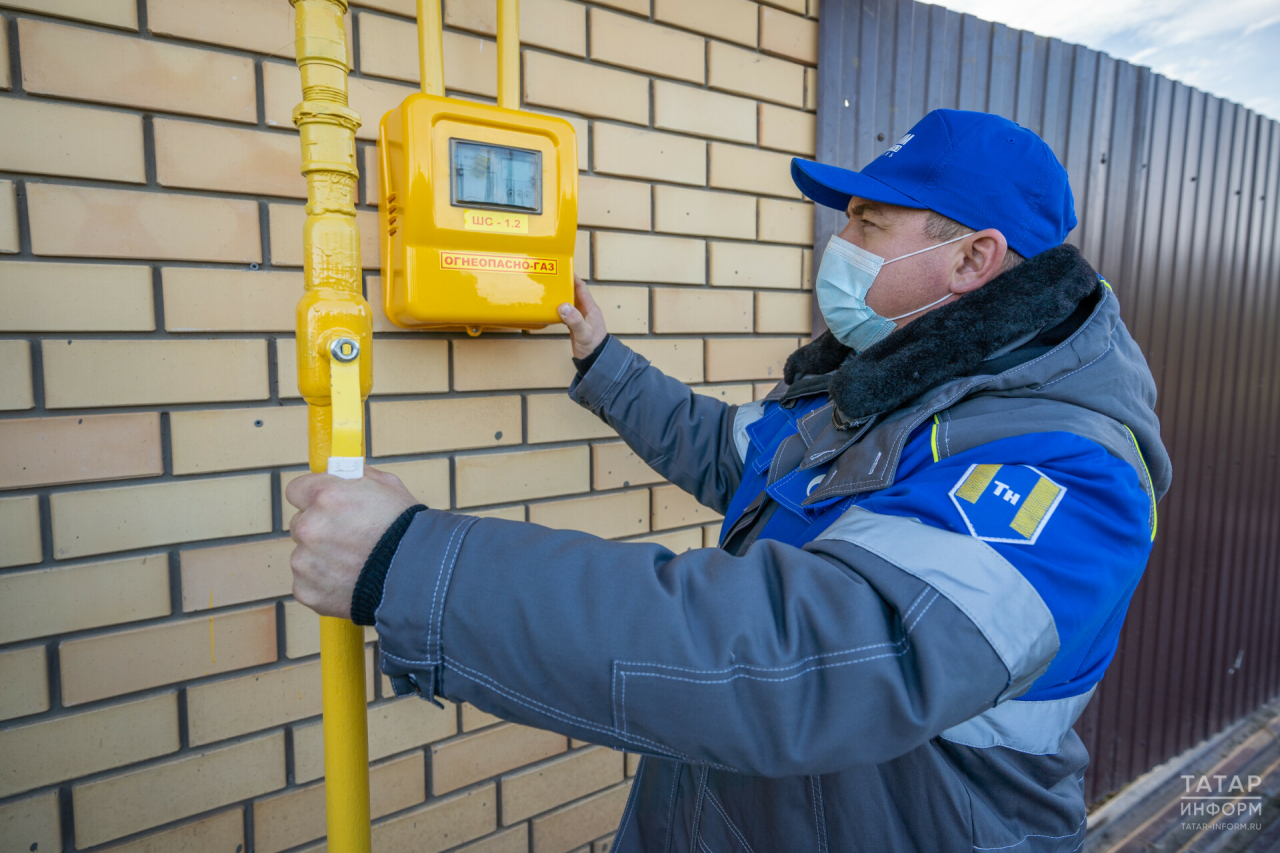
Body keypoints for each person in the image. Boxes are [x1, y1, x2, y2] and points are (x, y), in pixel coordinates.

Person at [287, 108, 1171, 852]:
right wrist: (606, 365)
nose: (840, 243)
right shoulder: (876, 382)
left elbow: (803, 657)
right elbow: (733, 453)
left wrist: (412, 565)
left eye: (867, 222)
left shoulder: (1070, 469)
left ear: (975, 259)